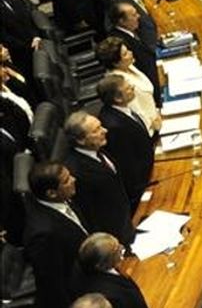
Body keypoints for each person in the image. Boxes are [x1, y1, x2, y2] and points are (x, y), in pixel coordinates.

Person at [23, 161, 90, 308]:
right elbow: (54, 284)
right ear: (51, 193)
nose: (74, 179)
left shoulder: (62, 197)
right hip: (79, 292)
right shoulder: (43, 235)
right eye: (66, 180)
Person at [61, 111, 134, 245]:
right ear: (80, 140)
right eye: (96, 130)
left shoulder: (97, 148)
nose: (105, 131)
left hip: (127, 218)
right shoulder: (77, 173)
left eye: (101, 126)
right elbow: (92, 215)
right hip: (116, 236)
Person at [95, 74, 154, 209]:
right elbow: (129, 166)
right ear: (117, 98)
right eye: (128, 88)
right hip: (145, 183)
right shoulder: (115, 127)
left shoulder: (122, 109)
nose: (132, 88)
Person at [94, 36, 159, 130]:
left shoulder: (129, 66)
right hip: (149, 128)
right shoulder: (120, 83)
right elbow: (135, 112)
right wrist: (154, 124)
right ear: (116, 63)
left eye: (128, 50)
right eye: (125, 54)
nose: (130, 53)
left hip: (156, 115)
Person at [70, 232, 149, 308]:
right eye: (116, 249)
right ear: (102, 263)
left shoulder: (106, 269)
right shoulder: (109, 296)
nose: (122, 247)